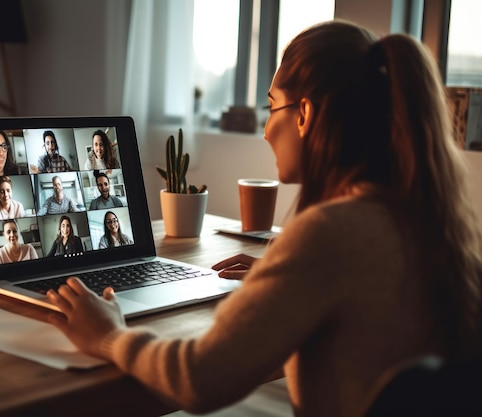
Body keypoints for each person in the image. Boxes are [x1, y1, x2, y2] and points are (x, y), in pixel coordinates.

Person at [45, 20, 482, 417]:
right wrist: (287, 276)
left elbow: (199, 379)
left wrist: (108, 335)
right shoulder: (426, 219)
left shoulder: (328, 234)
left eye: (274, 107)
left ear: (306, 115)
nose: (268, 129)